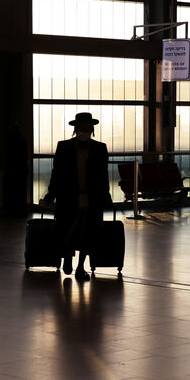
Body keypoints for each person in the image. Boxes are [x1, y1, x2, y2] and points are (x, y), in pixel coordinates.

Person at [41, 111, 109, 279]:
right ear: (76, 129)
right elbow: (57, 174)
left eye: (87, 128)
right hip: (69, 197)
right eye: (81, 128)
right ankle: (68, 258)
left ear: (91, 129)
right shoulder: (64, 147)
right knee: (68, 229)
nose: (84, 131)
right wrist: (51, 195)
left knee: (87, 232)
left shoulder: (100, 148)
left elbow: (103, 175)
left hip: (90, 198)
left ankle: (80, 266)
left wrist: (105, 195)